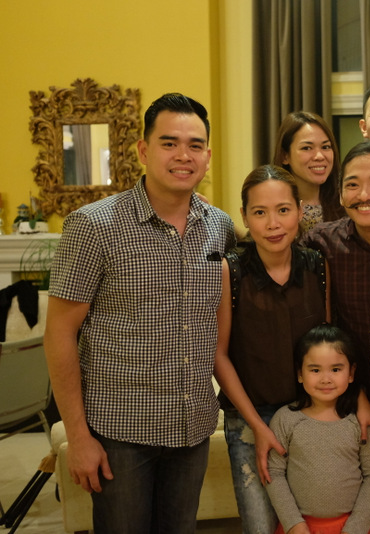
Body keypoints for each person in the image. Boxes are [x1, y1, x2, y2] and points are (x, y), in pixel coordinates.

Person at [44, 93, 236, 533]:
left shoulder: (219, 226)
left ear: (207, 157)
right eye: (169, 143)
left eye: (195, 145)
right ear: (143, 150)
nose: (183, 155)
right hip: (120, 433)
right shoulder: (94, 226)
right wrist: (78, 437)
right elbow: (59, 334)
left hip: (192, 428)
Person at [212, 164, 370, 534]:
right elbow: (219, 356)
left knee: (315, 516)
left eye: (283, 210)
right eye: (260, 212)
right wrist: (258, 426)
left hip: (311, 410)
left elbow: (331, 344)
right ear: (244, 216)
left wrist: (360, 399)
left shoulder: (316, 265)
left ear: (300, 211)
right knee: (260, 524)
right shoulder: (231, 270)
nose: (273, 224)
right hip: (250, 416)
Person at [300, 141, 370, 534]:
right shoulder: (322, 244)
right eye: (353, 185)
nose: (364, 195)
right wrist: (356, 397)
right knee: (359, 505)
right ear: (340, 194)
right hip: (350, 395)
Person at [267, 324, 370, 534]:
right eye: (315, 370)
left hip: (353, 528)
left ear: (351, 373)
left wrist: (356, 527)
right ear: (300, 373)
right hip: (300, 528)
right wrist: (293, 524)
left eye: (336, 369)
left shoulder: (361, 423)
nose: (326, 379)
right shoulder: (285, 419)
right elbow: (274, 472)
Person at [273, 111, 345, 232]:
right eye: (307, 148)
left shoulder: (345, 203)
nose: (319, 156)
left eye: (326, 147)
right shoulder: (271, 206)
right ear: (284, 156)